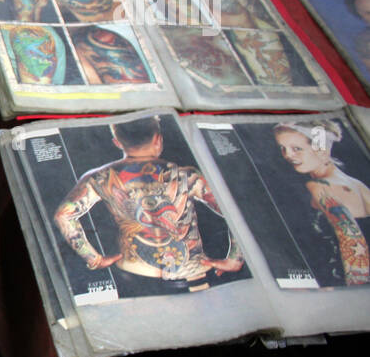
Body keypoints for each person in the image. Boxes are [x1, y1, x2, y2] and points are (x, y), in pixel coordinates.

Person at [53, 115, 243, 294]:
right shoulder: (187, 175)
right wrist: (235, 259)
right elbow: (234, 210)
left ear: (118, 143)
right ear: (158, 139)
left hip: (136, 279)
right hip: (193, 277)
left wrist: (94, 259)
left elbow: (63, 215)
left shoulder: (99, 178)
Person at [273, 119, 370, 286]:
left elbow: (354, 244)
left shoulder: (319, 187)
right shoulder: (357, 185)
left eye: (297, 149)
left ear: (322, 150)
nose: (288, 155)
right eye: (283, 148)